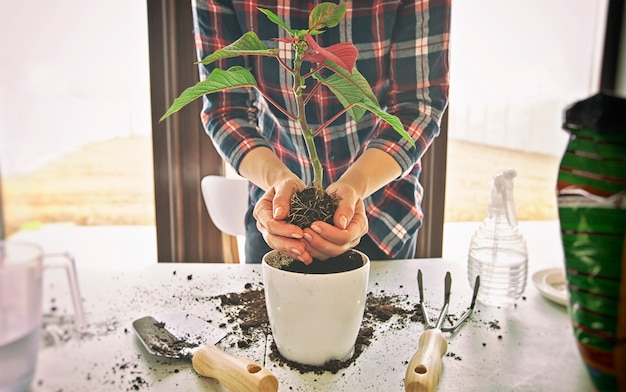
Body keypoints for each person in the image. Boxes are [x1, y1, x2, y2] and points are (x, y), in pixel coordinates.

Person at [192, 0, 450, 264]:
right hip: (279, 214)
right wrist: (277, 179)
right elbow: (225, 110)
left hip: (383, 212)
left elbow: (418, 106)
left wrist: (355, 185)